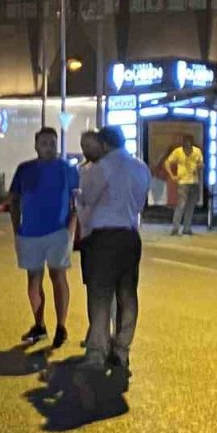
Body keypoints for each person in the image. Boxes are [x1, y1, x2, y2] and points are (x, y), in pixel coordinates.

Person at [76, 126, 151, 369]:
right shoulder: (141, 168)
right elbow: (141, 202)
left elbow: (87, 197)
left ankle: (97, 352)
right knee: (127, 294)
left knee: (100, 294)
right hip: (130, 235)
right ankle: (122, 349)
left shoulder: (101, 168)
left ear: (105, 145)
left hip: (103, 237)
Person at [9, 127, 79, 349]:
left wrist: (70, 230)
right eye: (44, 143)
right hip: (29, 233)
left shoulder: (68, 169)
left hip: (58, 232)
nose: (49, 147)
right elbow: (14, 200)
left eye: (52, 143)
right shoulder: (25, 169)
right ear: (36, 145)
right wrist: (16, 228)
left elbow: (77, 203)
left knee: (58, 277)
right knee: (33, 280)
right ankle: (39, 325)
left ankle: (61, 326)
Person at [164, 133, 205, 236]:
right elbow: (167, 163)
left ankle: (187, 228)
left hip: (194, 181)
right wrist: (172, 175)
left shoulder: (197, 151)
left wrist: (199, 166)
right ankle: (175, 228)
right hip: (183, 182)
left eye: (188, 144)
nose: (187, 147)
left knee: (190, 206)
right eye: (185, 144)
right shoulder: (178, 152)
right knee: (181, 205)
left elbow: (201, 164)